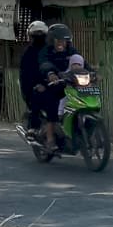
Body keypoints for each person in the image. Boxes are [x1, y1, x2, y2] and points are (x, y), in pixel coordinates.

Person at [37, 23, 76, 151]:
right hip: (49, 84)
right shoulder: (45, 51)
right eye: (59, 41)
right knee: (52, 104)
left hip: (67, 83)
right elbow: (44, 64)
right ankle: (50, 138)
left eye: (64, 41)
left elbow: (81, 62)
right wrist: (50, 73)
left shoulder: (70, 50)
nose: (62, 44)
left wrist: (92, 72)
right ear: (52, 40)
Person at [18, 19, 48, 132]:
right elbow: (26, 75)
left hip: (52, 82)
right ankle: (33, 127)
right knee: (36, 97)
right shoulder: (28, 53)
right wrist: (36, 85)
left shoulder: (51, 50)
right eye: (36, 35)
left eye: (41, 34)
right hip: (34, 86)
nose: (39, 37)